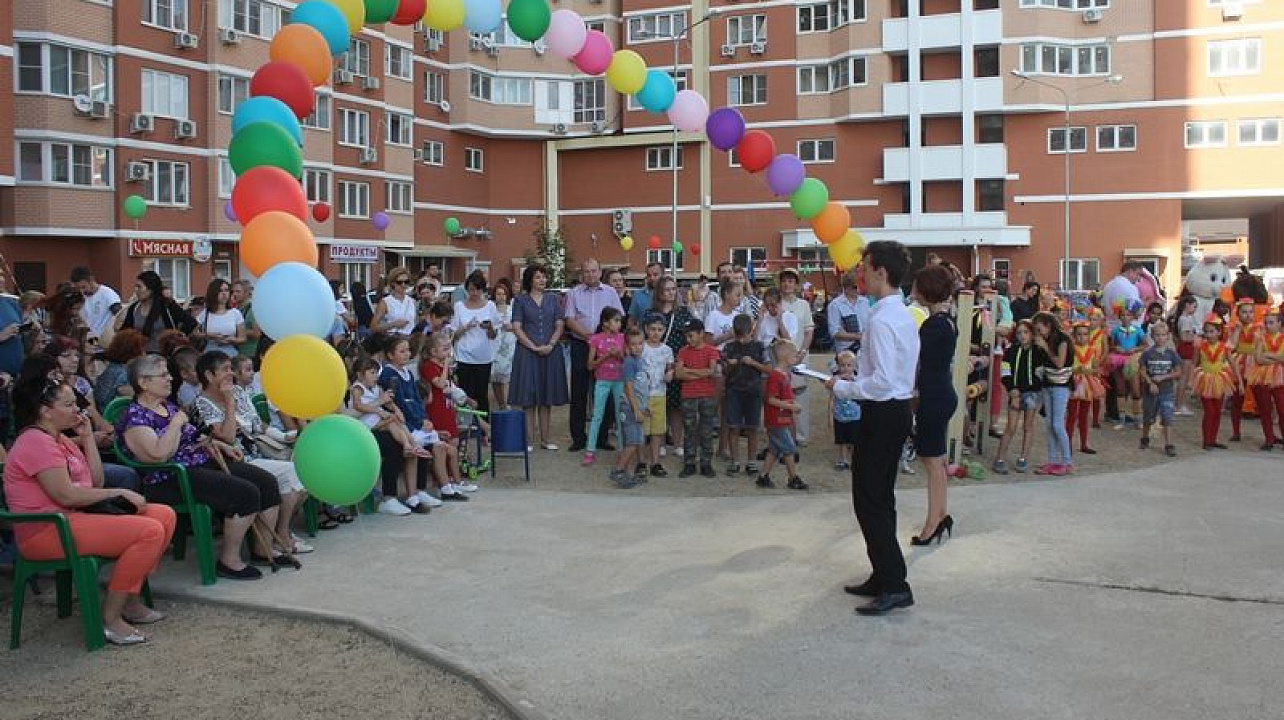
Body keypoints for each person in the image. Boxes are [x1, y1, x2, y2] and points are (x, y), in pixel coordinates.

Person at [4, 376, 176, 645]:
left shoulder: (61, 439)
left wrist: (87, 439)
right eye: (69, 404)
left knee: (163, 515)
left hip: (72, 519)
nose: (78, 409)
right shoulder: (35, 441)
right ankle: (110, 617)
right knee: (149, 532)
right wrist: (117, 492)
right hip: (46, 529)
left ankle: (129, 599)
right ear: (46, 411)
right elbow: (65, 494)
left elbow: (94, 483)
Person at [116, 354, 282, 580]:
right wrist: (176, 423)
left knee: (266, 482)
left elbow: (197, 436)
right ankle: (229, 561)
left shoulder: (168, 407)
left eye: (168, 373)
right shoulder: (135, 417)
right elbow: (158, 455)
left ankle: (263, 550)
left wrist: (221, 445)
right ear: (143, 382)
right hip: (169, 478)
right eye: (163, 375)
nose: (170, 379)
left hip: (200, 463)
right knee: (245, 492)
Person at [826, 240, 919, 616]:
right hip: (893, 411)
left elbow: (881, 381)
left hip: (883, 411)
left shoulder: (882, 319)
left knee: (870, 499)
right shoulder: (902, 314)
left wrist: (843, 386)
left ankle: (895, 583)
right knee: (880, 497)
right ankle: (884, 573)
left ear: (882, 271)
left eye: (864, 267)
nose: (859, 273)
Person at [191, 352, 312, 557]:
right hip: (233, 460)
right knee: (292, 472)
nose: (230, 373)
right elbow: (228, 437)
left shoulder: (238, 391)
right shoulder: (202, 404)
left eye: (231, 368)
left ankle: (278, 534)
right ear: (209, 376)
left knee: (303, 472)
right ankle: (280, 536)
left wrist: (283, 437)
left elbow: (256, 423)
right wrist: (229, 404)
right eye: (224, 370)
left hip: (256, 452)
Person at [908, 264, 957, 545]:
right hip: (940, 393)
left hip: (933, 397)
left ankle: (933, 523)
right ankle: (940, 514)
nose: (913, 290)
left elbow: (918, 361)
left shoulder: (934, 325)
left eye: (917, 285)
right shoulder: (946, 320)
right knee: (936, 462)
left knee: (931, 462)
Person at [565, 259, 623, 452]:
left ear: (600, 272)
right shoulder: (574, 293)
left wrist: (602, 340)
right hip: (581, 344)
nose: (590, 274)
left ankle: (602, 438)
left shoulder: (610, 292)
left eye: (593, 271)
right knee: (579, 392)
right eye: (586, 271)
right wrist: (589, 337)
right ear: (582, 274)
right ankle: (579, 438)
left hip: (606, 347)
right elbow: (570, 319)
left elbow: (618, 317)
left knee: (604, 391)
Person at [508, 264, 568, 450]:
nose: (542, 280)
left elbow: (559, 324)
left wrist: (550, 344)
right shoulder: (520, 300)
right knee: (528, 398)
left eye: (544, 276)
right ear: (530, 280)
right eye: (538, 277)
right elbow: (517, 327)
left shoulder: (553, 299)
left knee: (546, 397)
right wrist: (533, 346)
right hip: (527, 352)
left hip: (551, 352)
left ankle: (546, 439)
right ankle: (528, 441)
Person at [378, 336, 436, 514]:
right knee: (410, 447)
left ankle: (418, 491)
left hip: (411, 422)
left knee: (430, 443)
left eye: (408, 350)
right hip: (398, 423)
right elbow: (399, 403)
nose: (407, 354)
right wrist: (417, 422)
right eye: (401, 351)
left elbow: (416, 400)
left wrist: (424, 418)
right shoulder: (388, 374)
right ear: (390, 355)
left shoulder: (408, 373)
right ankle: (403, 496)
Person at [648, 276, 694, 456]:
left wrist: (682, 362)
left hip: (677, 363)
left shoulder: (684, 313)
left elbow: (690, 338)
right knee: (659, 405)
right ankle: (659, 443)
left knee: (676, 406)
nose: (670, 292)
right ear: (659, 292)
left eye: (673, 289)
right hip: (655, 364)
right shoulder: (650, 313)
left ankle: (678, 443)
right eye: (666, 289)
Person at [993, 320, 1044, 475]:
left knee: (1028, 426)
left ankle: (1023, 458)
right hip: (1015, 392)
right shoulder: (1011, 351)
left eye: (1026, 332)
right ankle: (1000, 458)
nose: (1023, 336)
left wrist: (1033, 389)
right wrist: (1012, 389)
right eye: (1020, 333)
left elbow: (1040, 374)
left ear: (1032, 334)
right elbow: (1005, 372)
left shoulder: (1038, 352)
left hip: (1032, 393)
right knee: (1011, 426)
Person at [722, 314, 768, 477]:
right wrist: (729, 365)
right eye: (739, 336)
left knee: (752, 428)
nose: (742, 340)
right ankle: (735, 461)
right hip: (734, 391)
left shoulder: (759, 347)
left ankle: (751, 461)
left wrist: (753, 363)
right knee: (733, 427)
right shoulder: (729, 348)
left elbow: (768, 369)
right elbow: (724, 371)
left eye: (745, 336)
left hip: (753, 391)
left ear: (751, 331)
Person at [450, 270, 501, 416]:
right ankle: (467, 425)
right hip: (464, 355)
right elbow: (454, 333)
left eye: (477, 289)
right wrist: (465, 327)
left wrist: (489, 326)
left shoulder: (490, 306)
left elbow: (493, 335)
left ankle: (484, 428)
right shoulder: (459, 306)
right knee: (465, 393)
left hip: (483, 356)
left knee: (482, 393)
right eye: (471, 289)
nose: (474, 293)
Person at [675, 318, 719, 478]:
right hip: (689, 395)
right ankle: (689, 463)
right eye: (687, 336)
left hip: (707, 395)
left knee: (706, 430)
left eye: (691, 335)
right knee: (689, 430)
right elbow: (679, 373)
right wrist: (701, 372)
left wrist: (689, 372)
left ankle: (706, 463)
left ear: (701, 334)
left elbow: (712, 371)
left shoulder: (711, 350)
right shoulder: (683, 351)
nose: (688, 340)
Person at [759, 339, 806, 490]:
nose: (797, 357)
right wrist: (789, 406)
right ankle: (793, 478)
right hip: (776, 419)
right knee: (789, 448)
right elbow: (771, 399)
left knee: (774, 449)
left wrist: (792, 404)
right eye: (794, 355)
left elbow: (787, 394)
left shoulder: (786, 375)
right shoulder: (775, 376)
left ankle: (763, 476)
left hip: (783, 418)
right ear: (785, 356)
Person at [583, 307, 626, 466]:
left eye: (620, 320)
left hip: (619, 381)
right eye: (616, 320)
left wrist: (618, 355)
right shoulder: (596, 339)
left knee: (620, 415)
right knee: (597, 415)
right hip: (602, 381)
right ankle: (590, 450)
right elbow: (589, 365)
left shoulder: (623, 338)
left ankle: (623, 449)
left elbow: (626, 360)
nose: (619, 324)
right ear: (605, 323)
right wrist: (607, 356)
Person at [114, 271, 197, 353]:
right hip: (140, 355)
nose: (136, 290)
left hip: (163, 356)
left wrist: (177, 335)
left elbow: (191, 322)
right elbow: (125, 330)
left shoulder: (167, 306)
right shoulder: (134, 308)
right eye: (135, 286)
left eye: (139, 287)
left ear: (151, 289)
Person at [1032, 311, 1073, 476]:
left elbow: (1059, 363)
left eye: (1039, 328)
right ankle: (1053, 460)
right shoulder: (1045, 340)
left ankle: (1067, 461)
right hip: (1048, 383)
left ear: (1048, 325)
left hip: (1061, 385)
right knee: (1049, 424)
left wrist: (1045, 347)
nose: (1038, 332)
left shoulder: (1062, 340)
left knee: (1057, 423)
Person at [778, 269, 816, 443]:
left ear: (796, 284)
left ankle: (801, 435)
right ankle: (784, 434)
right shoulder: (777, 304)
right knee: (782, 395)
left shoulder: (803, 305)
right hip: (781, 357)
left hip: (800, 355)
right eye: (784, 281)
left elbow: (809, 331)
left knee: (800, 394)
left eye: (791, 281)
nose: (787, 284)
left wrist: (802, 352)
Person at [1193, 314, 1238, 450]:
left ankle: (1213, 439)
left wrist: (1239, 381)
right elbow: (1194, 363)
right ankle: (1206, 440)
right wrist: (1192, 381)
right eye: (1206, 332)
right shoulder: (1200, 346)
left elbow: (1233, 364)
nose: (1209, 335)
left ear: (1219, 332)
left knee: (1217, 411)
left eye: (1212, 331)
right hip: (1205, 379)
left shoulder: (1224, 347)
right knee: (1209, 411)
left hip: (1219, 379)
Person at [611, 329, 648, 488]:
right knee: (632, 442)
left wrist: (643, 408)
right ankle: (618, 470)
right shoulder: (629, 363)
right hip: (629, 408)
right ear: (627, 346)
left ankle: (629, 474)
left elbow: (641, 389)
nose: (637, 347)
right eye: (633, 344)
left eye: (640, 343)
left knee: (635, 442)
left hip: (636, 407)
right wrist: (636, 409)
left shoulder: (639, 361)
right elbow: (628, 388)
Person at [1138, 322, 1181, 458]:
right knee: (1148, 415)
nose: (1160, 338)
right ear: (1152, 336)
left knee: (1167, 416)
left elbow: (1178, 372)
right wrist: (1150, 382)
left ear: (1168, 336)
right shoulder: (1147, 354)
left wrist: (1164, 377)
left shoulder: (1171, 354)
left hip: (1167, 391)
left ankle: (1169, 444)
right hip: (1151, 391)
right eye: (1157, 335)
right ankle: (1145, 438)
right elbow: (1142, 370)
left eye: (1163, 335)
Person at [639, 315, 674, 477]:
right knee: (642, 430)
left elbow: (670, 368)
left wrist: (670, 374)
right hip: (643, 395)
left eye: (660, 330)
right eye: (652, 329)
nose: (655, 333)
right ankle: (641, 461)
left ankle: (655, 462)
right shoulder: (641, 347)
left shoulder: (667, 350)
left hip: (659, 395)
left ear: (665, 331)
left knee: (657, 431)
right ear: (646, 329)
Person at [1067, 322, 1106, 456]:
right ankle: (1068, 443)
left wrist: (1092, 372)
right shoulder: (1071, 349)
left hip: (1088, 384)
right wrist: (1076, 370)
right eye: (1079, 334)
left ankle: (1084, 443)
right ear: (1074, 335)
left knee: (1084, 415)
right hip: (1074, 383)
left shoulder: (1092, 350)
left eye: (1085, 334)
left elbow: (1096, 368)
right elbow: (1066, 367)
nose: (1082, 337)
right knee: (1072, 415)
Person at [1249, 310, 1284, 450]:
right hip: (1261, 376)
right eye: (1266, 322)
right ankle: (1269, 438)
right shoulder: (1260, 338)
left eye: (1271, 322)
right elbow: (1258, 359)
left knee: (1282, 408)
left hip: (1280, 377)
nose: (1268, 325)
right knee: (1265, 409)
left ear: (1279, 323)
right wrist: (1276, 358)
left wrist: (1268, 355)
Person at [1229, 300, 1261, 442]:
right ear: (1238, 314)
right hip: (1240, 361)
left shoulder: (1259, 327)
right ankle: (1236, 432)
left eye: (1250, 312)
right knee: (1237, 398)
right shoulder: (1235, 328)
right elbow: (1232, 345)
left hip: (1254, 361)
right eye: (1244, 312)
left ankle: (1269, 435)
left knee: (1260, 396)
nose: (1248, 315)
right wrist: (1237, 329)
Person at [191, 279, 246, 359]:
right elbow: (194, 333)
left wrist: (230, 340)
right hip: (210, 353)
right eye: (220, 291)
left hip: (230, 353)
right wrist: (208, 335)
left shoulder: (235, 313)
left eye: (226, 290)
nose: (224, 294)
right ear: (214, 293)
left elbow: (243, 338)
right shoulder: (206, 313)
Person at [93, 328, 146, 409]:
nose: (144, 354)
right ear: (133, 351)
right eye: (142, 350)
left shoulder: (112, 368)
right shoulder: (123, 373)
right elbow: (134, 398)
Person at [71, 266, 123, 342]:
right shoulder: (80, 298)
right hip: (87, 341)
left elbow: (120, 316)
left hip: (104, 341)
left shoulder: (107, 294)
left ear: (91, 280)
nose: (81, 291)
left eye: (83, 287)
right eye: (78, 288)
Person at [489, 278, 517, 412]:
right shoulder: (491, 309)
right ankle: (500, 403)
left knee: (506, 376)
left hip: (509, 344)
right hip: (495, 344)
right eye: (498, 293)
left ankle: (507, 402)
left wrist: (510, 327)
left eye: (503, 294)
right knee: (495, 376)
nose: (500, 296)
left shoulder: (513, 308)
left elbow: (519, 326)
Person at [830, 351, 860, 471]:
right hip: (839, 416)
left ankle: (854, 460)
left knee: (853, 440)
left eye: (849, 365)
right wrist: (830, 415)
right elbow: (831, 397)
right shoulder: (835, 380)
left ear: (854, 366)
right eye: (843, 365)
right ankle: (843, 460)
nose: (846, 368)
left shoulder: (857, 380)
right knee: (841, 440)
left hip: (855, 416)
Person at [827, 271, 869, 357]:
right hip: (845, 353)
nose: (858, 289)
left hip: (865, 351)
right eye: (855, 287)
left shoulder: (865, 302)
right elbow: (834, 332)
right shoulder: (835, 305)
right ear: (846, 288)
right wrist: (857, 336)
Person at [370, 267, 417, 337]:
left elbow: (415, 322)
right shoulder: (385, 302)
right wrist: (393, 324)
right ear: (393, 283)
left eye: (406, 282)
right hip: (393, 338)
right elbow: (373, 327)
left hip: (410, 338)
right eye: (399, 282)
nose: (403, 285)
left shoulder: (412, 301)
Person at [1172, 295, 1199, 416]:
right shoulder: (1185, 319)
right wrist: (1196, 337)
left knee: (1183, 378)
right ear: (1187, 305)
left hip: (1185, 349)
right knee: (1183, 378)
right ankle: (1178, 405)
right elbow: (1184, 337)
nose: (1195, 309)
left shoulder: (1183, 318)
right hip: (1186, 349)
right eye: (1194, 306)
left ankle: (1179, 404)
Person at [628, 261, 665, 327]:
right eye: (649, 275)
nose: (652, 278)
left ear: (663, 275)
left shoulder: (672, 293)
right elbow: (631, 321)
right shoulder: (638, 295)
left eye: (655, 275)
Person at [231, 280, 261, 362]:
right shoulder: (235, 310)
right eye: (233, 291)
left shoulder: (252, 310)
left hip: (250, 354)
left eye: (238, 291)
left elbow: (257, 333)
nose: (234, 294)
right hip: (237, 353)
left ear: (247, 293)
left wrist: (237, 330)